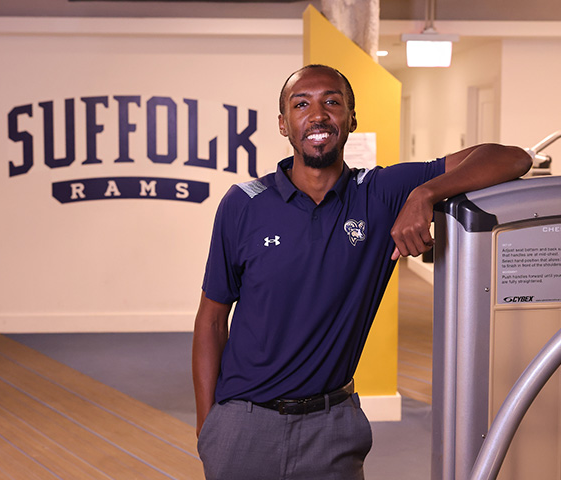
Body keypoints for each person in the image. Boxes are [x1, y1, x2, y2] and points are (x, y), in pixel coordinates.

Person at [192, 64, 532, 480]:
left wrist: (426, 193)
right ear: (284, 124)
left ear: (352, 119)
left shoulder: (380, 192)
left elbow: (512, 158)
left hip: (331, 426)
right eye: (302, 105)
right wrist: (208, 426)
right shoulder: (243, 204)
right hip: (244, 424)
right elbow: (211, 318)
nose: (317, 114)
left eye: (332, 102)